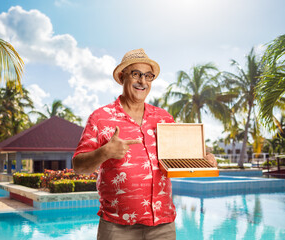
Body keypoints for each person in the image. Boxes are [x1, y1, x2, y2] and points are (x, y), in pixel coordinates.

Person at [72, 48, 217, 240]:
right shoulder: (100, 118)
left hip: (162, 226)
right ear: (122, 77)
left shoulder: (164, 118)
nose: (143, 81)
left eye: (148, 76)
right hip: (117, 226)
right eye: (136, 74)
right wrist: (105, 152)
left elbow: (182, 154)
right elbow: (78, 166)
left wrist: (203, 157)